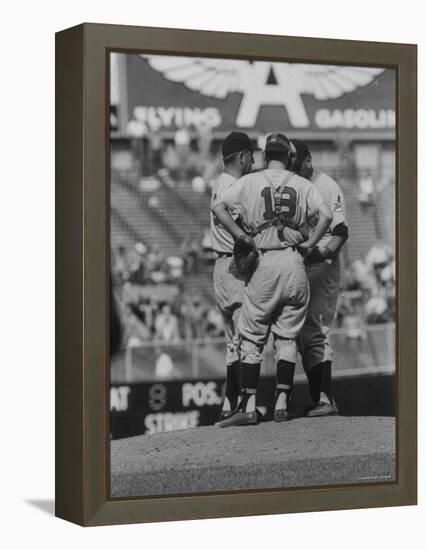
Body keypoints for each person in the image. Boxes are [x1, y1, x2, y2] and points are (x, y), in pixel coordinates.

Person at [213, 133, 332, 427]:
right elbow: (327, 214)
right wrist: (310, 243)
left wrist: (241, 236)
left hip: (265, 260)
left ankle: (249, 404)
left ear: (266, 155)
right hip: (294, 262)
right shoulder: (302, 183)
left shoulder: (252, 181)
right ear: (288, 156)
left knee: (252, 335)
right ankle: (281, 402)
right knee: (287, 335)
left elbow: (218, 207)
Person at [290, 139, 349, 417]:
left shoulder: (326, 186)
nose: (292, 168)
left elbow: (341, 232)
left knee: (317, 328)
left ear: (308, 161)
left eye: (295, 163)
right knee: (304, 333)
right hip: (306, 261)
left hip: (323, 263)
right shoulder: (297, 183)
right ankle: (319, 398)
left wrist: (321, 253)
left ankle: (326, 399)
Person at [210, 131, 260, 420]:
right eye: (250, 154)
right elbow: (248, 224)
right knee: (246, 336)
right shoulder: (235, 186)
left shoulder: (220, 183)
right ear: (241, 157)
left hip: (221, 266)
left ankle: (229, 405)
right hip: (236, 267)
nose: (253, 159)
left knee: (233, 340)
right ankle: (244, 405)